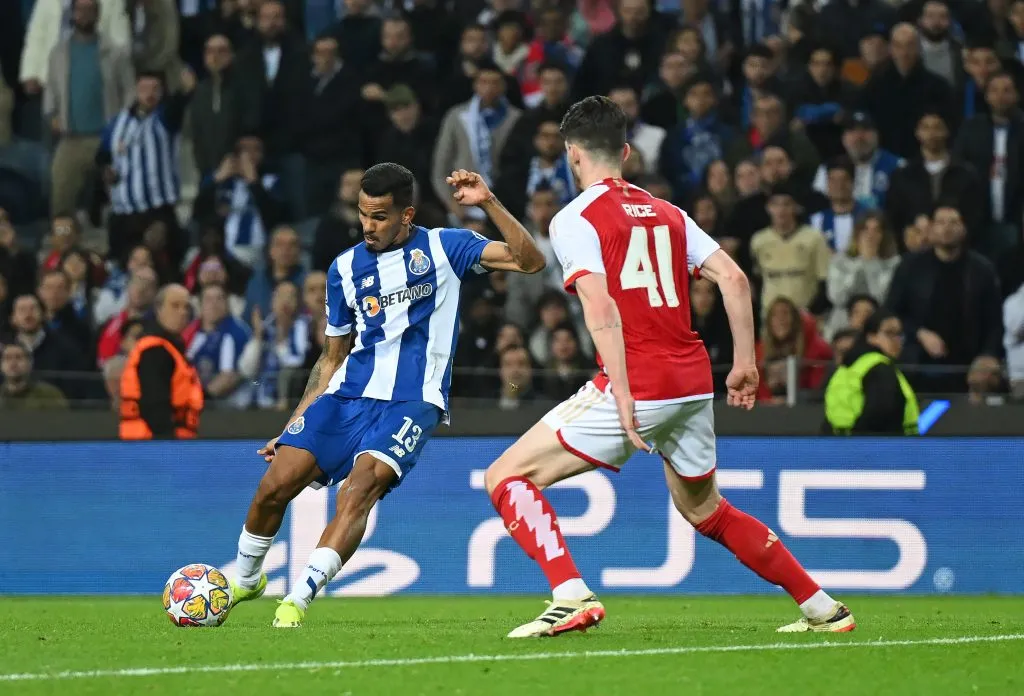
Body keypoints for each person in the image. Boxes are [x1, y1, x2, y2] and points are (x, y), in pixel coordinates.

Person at [482, 96, 855, 638]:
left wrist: (624, 392)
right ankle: (823, 608)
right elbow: (735, 279)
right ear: (626, 152)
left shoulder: (574, 217)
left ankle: (569, 595)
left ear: (571, 154)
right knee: (706, 511)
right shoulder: (670, 213)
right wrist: (746, 364)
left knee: (506, 475)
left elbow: (599, 305)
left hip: (639, 381)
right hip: (693, 381)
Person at [226, 162, 545, 628]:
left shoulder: (444, 246)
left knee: (360, 489)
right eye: (363, 215)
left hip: (413, 401)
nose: (368, 226)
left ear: (406, 215)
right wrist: (293, 422)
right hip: (349, 395)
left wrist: (489, 203)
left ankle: (296, 599)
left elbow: (531, 262)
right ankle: (247, 579)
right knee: (275, 484)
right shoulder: (344, 268)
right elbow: (331, 357)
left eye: (379, 216)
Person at [119, 284, 204, 439]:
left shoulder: (173, 349)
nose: (182, 312)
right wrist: (169, 447)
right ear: (159, 309)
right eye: (175, 306)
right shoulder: (154, 350)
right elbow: (155, 408)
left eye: (186, 307)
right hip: (152, 446)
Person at [824, 308, 920, 435]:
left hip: (841, 444)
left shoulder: (848, 367)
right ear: (871, 337)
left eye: (900, 334)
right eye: (890, 333)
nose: (897, 340)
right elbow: (880, 413)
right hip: (879, 448)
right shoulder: (879, 367)